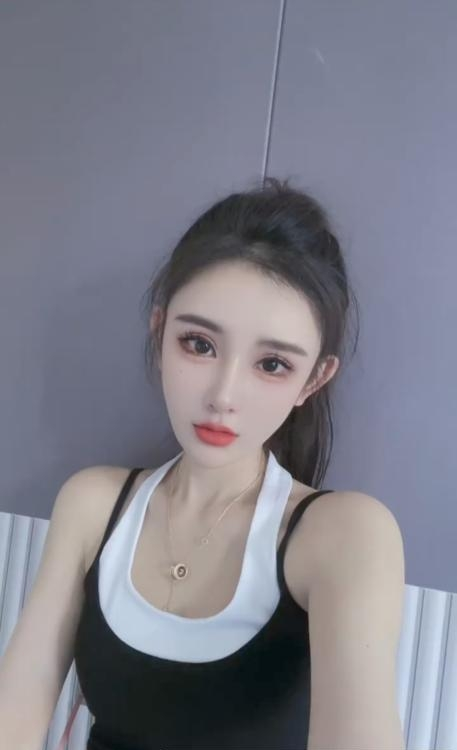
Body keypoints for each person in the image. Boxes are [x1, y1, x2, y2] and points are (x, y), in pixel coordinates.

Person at [0, 177, 405, 750]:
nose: (222, 395)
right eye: (199, 344)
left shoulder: (344, 535)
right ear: (160, 331)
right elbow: (13, 717)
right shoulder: (93, 504)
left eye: (272, 364)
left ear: (314, 379)